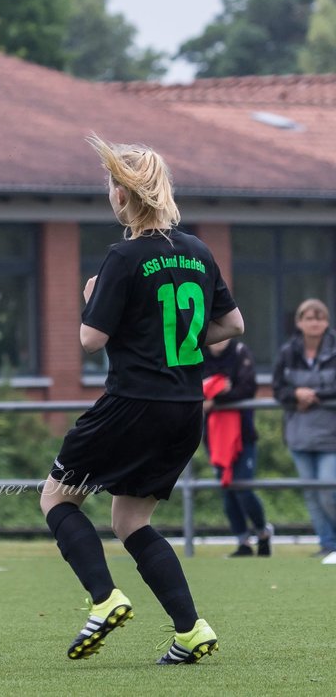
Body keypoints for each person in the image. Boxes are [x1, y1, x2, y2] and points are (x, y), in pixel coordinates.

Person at [38, 136, 243, 665]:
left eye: (111, 185)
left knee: (57, 498)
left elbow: (91, 340)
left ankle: (104, 599)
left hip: (133, 402)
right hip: (184, 409)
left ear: (124, 196)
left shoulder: (124, 256)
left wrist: (92, 300)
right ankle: (191, 630)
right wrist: (171, 337)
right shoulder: (198, 251)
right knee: (131, 521)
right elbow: (233, 324)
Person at [271, 298, 336, 559]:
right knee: (311, 493)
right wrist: (295, 394)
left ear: (327, 321)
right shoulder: (288, 352)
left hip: (331, 435)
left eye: (319, 317)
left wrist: (314, 394)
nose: (314, 322)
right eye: (309, 318)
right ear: (299, 322)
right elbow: (278, 388)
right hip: (299, 434)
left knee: (328, 492)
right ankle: (327, 544)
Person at [202, 337, 272, 557]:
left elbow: (247, 387)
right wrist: (219, 388)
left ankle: (263, 533)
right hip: (213, 435)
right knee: (227, 490)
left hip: (242, 434)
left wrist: (215, 396)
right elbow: (192, 388)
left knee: (242, 488)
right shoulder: (199, 352)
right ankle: (243, 542)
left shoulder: (240, 351)